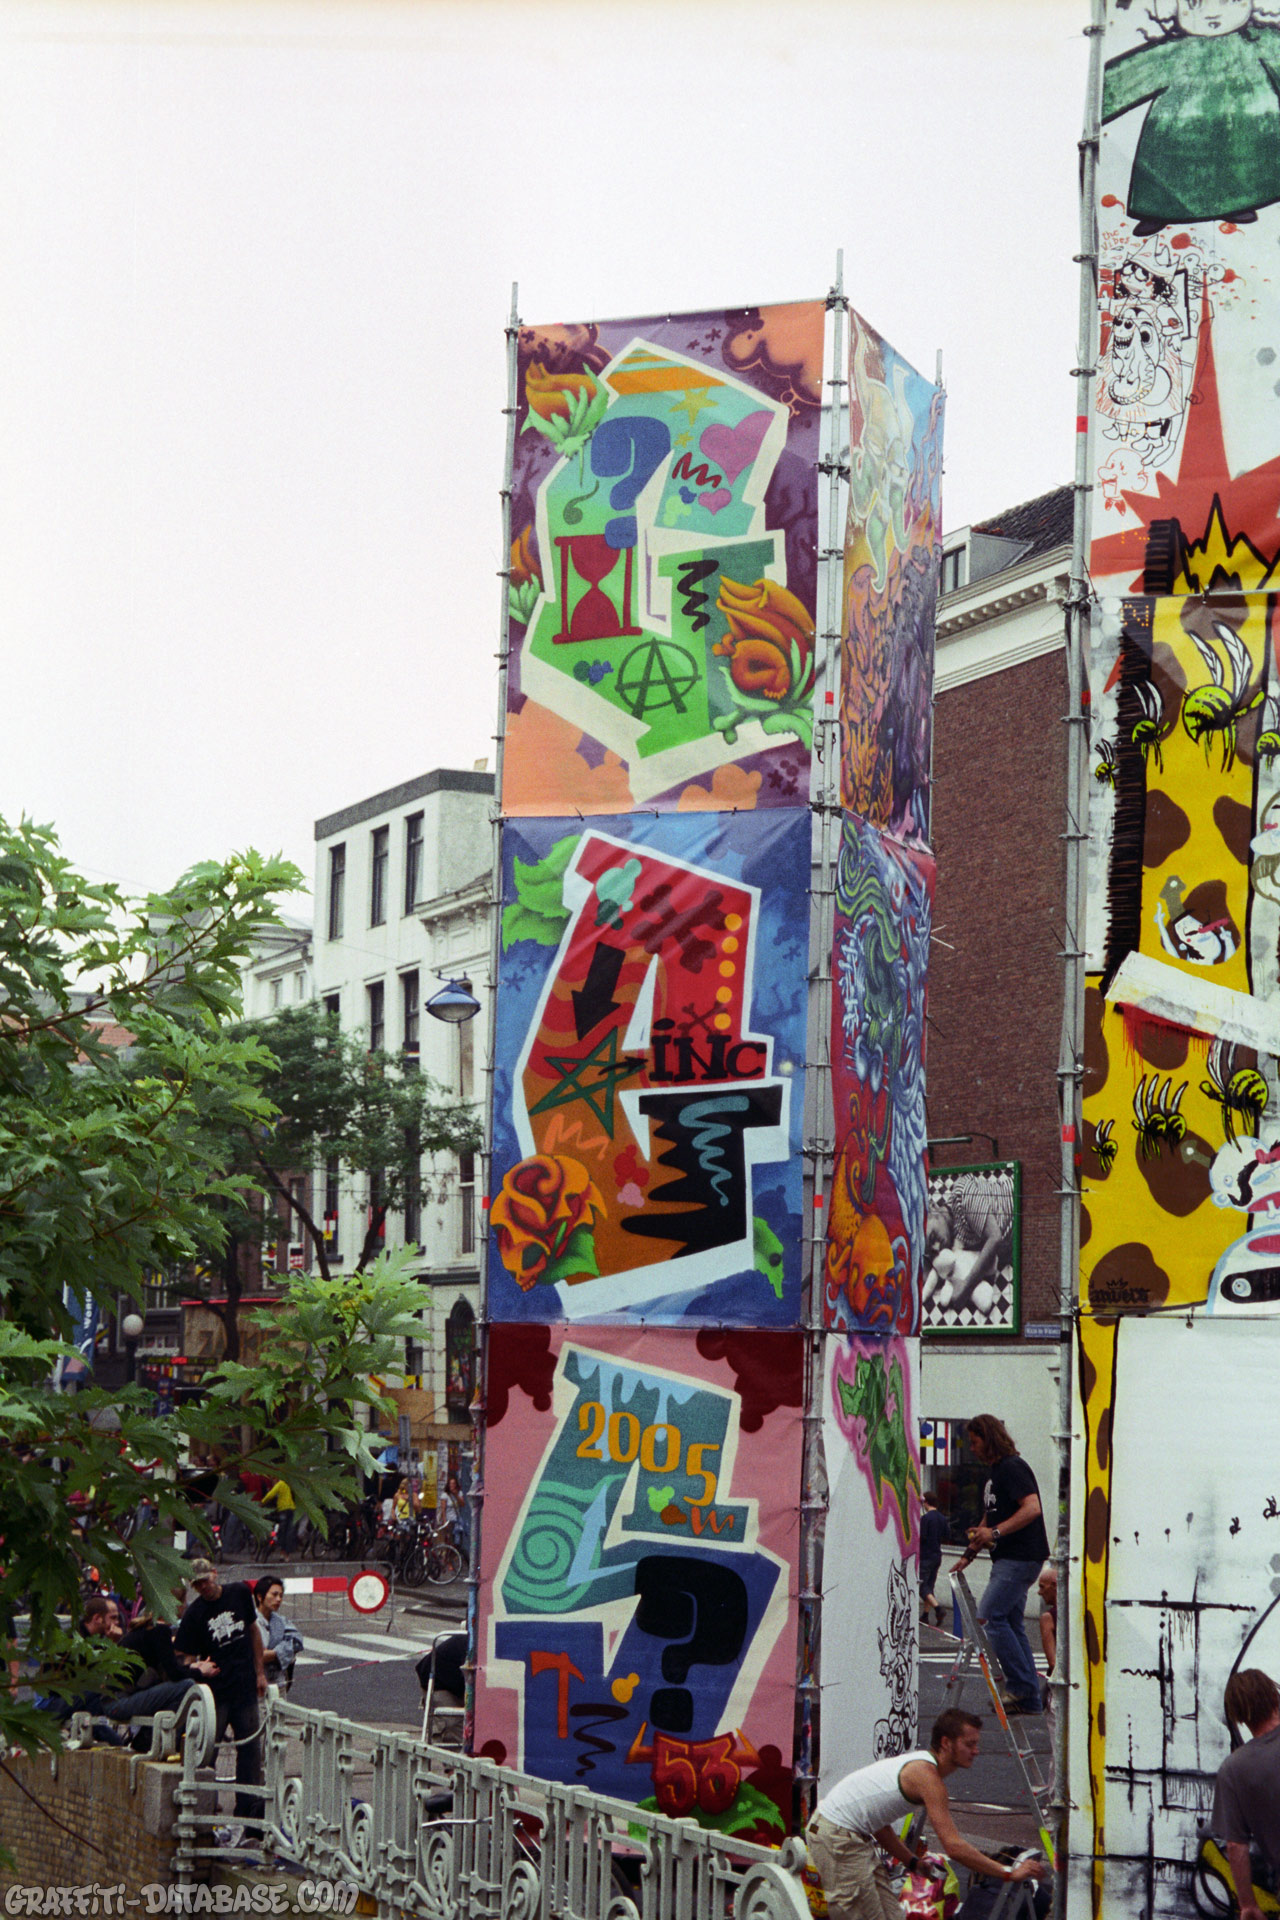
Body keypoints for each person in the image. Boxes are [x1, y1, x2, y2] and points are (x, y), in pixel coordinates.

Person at [805, 1708, 1050, 1919]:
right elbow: (954, 1847)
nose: (976, 1751)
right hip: (836, 1836)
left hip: (847, 1834)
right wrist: (1008, 1872)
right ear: (946, 1743)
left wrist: (911, 1861)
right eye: (969, 1744)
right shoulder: (928, 1778)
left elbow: (879, 1824)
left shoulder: (922, 1767)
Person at [956, 1415, 1048, 1716]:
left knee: (989, 1617)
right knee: (1009, 1621)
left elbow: (1032, 1508)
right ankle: (1029, 1697)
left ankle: (1020, 1687)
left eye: (975, 1442)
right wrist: (970, 1553)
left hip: (1019, 1556)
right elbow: (991, 1517)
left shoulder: (1012, 1467)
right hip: (1012, 1557)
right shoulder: (996, 1472)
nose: (972, 1449)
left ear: (989, 1438)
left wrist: (994, 1533)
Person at [174, 1558, 266, 1840]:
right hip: (216, 1692)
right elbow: (185, 1657)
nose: (203, 1587)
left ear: (215, 1574)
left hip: (244, 1687)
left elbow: (253, 1631)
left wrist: (260, 1673)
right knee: (207, 1752)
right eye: (197, 1584)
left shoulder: (239, 1592)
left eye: (205, 1580)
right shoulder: (195, 1614)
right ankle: (205, 1814)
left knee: (250, 1751)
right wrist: (197, 1668)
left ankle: (248, 1815)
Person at [1213, 1668, 1280, 1920]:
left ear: (1239, 1717)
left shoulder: (1233, 1769)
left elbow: (1235, 1845)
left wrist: (1248, 1904)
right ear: (1275, 1697)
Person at [254, 1576, 304, 1692]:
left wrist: (275, 1653)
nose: (278, 1599)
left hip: (279, 1683)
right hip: (257, 1685)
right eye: (274, 1595)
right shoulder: (250, 1623)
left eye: (281, 1596)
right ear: (260, 1597)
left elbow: (297, 1641)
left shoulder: (281, 1621)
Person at [918, 1494, 947, 1631]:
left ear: (926, 1502)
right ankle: (925, 1615)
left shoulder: (925, 1518)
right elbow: (947, 1534)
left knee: (922, 1586)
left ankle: (938, 1608)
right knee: (930, 1585)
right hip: (937, 1555)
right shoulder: (942, 1518)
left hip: (926, 1555)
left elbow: (922, 1537)